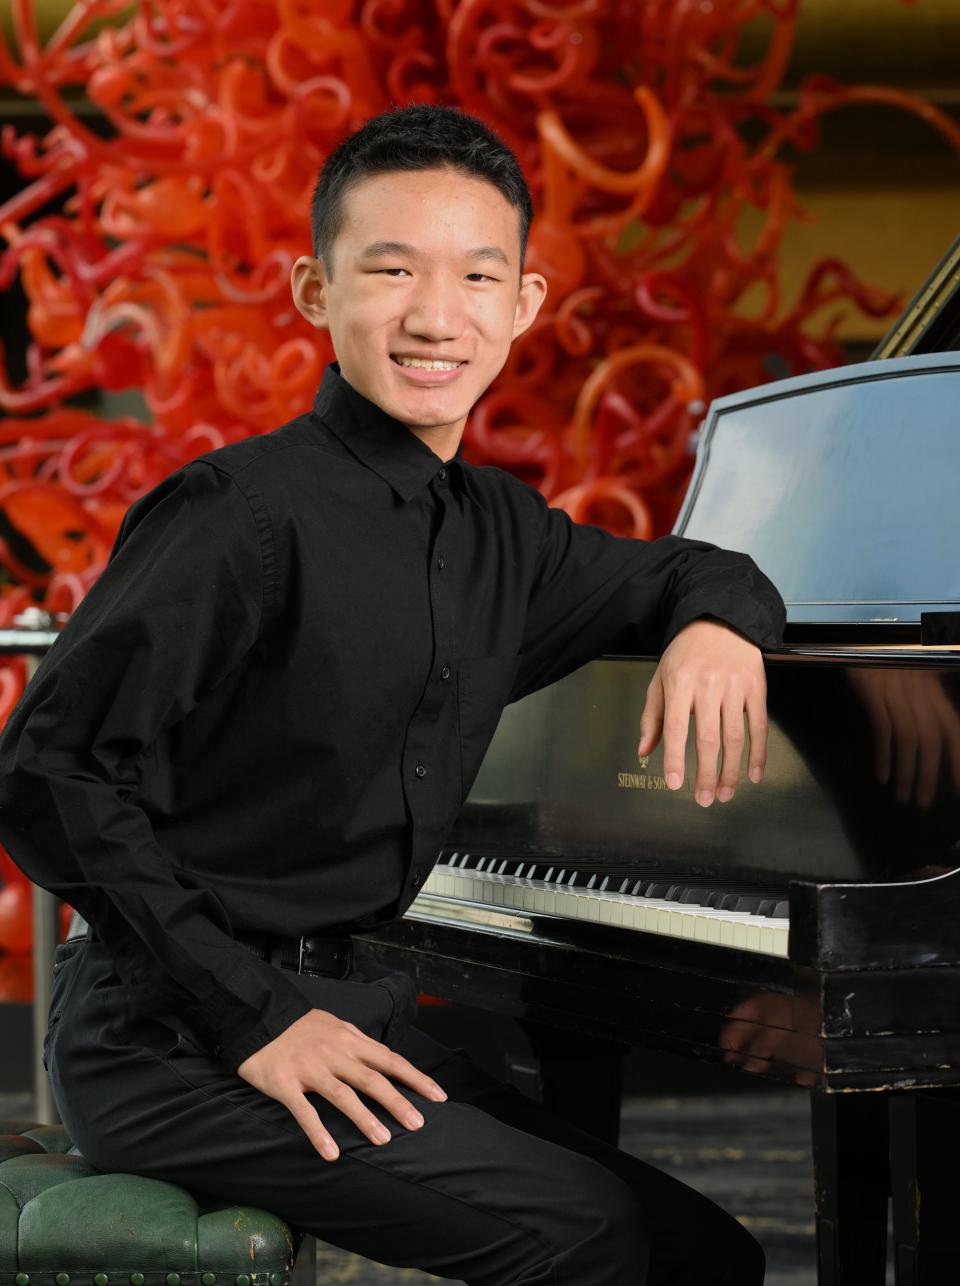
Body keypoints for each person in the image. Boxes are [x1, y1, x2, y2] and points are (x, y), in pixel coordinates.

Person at [0, 103, 785, 1285]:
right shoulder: (236, 515)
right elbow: (45, 771)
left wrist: (725, 623)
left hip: (352, 1014)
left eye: (477, 274)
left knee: (704, 1252)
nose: (434, 314)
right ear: (319, 295)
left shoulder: (502, 536)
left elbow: (690, 569)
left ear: (522, 305)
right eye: (390, 269)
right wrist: (252, 1015)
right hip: (174, 1038)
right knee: (600, 1239)